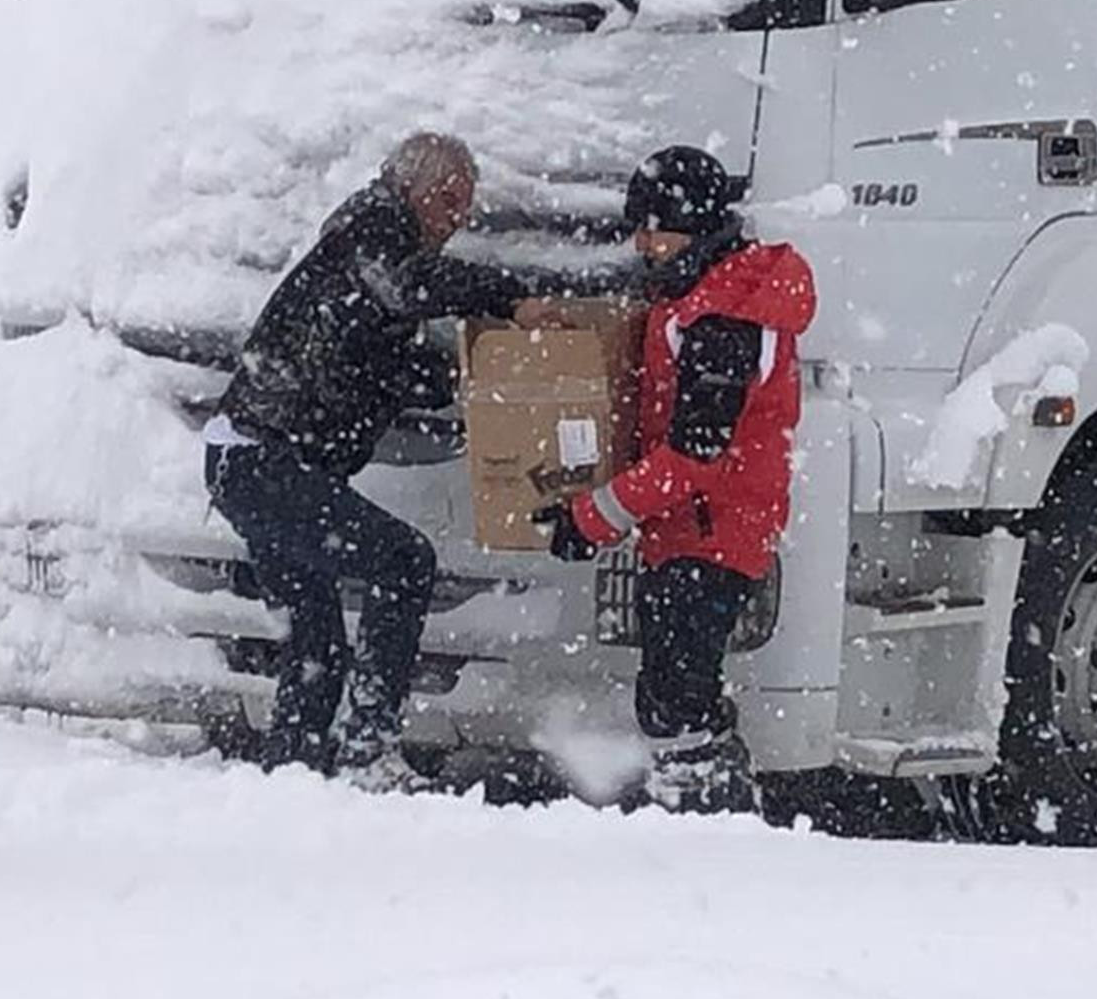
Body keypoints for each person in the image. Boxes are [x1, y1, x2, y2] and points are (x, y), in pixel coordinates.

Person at [205, 131, 553, 785]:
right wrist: (506, 294)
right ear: (408, 188)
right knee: (404, 561)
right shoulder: (373, 233)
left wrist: (487, 373)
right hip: (262, 462)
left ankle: (293, 774)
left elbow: (389, 366)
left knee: (318, 642)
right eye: (448, 201)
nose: (457, 220)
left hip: (250, 463)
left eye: (465, 208)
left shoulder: (365, 261)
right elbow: (406, 286)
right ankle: (370, 752)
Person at [538, 147, 816, 815]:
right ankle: (700, 803)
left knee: (675, 697)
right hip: (693, 528)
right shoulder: (703, 296)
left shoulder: (724, 321)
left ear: (690, 226)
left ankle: (702, 813)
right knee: (673, 689)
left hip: (712, 531)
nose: (641, 242)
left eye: (652, 226)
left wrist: (594, 515)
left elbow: (696, 451)